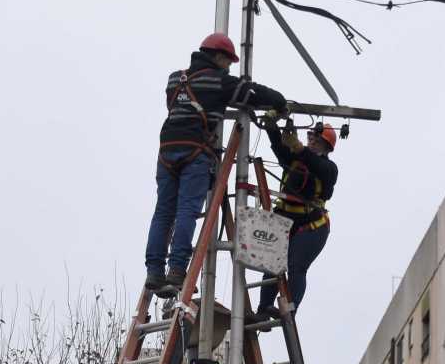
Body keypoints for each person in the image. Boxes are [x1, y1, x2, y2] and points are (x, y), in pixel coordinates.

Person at [145, 33, 288, 296]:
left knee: (164, 211)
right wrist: (279, 102)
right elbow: (252, 93)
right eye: (228, 62)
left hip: (167, 151)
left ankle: (154, 271)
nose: (229, 66)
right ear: (219, 57)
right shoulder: (218, 82)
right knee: (187, 209)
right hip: (196, 151)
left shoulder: (175, 79)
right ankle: (177, 270)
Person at [247, 118, 338, 328]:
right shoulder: (296, 158)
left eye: (315, 137)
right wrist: (271, 128)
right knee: (272, 264)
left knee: (296, 266)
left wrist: (298, 148)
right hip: (287, 221)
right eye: (309, 136)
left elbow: (317, 166)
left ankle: (290, 310)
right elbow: (281, 149)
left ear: (326, 145)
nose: (310, 140)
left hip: (312, 226)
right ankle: (263, 311)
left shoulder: (328, 168)